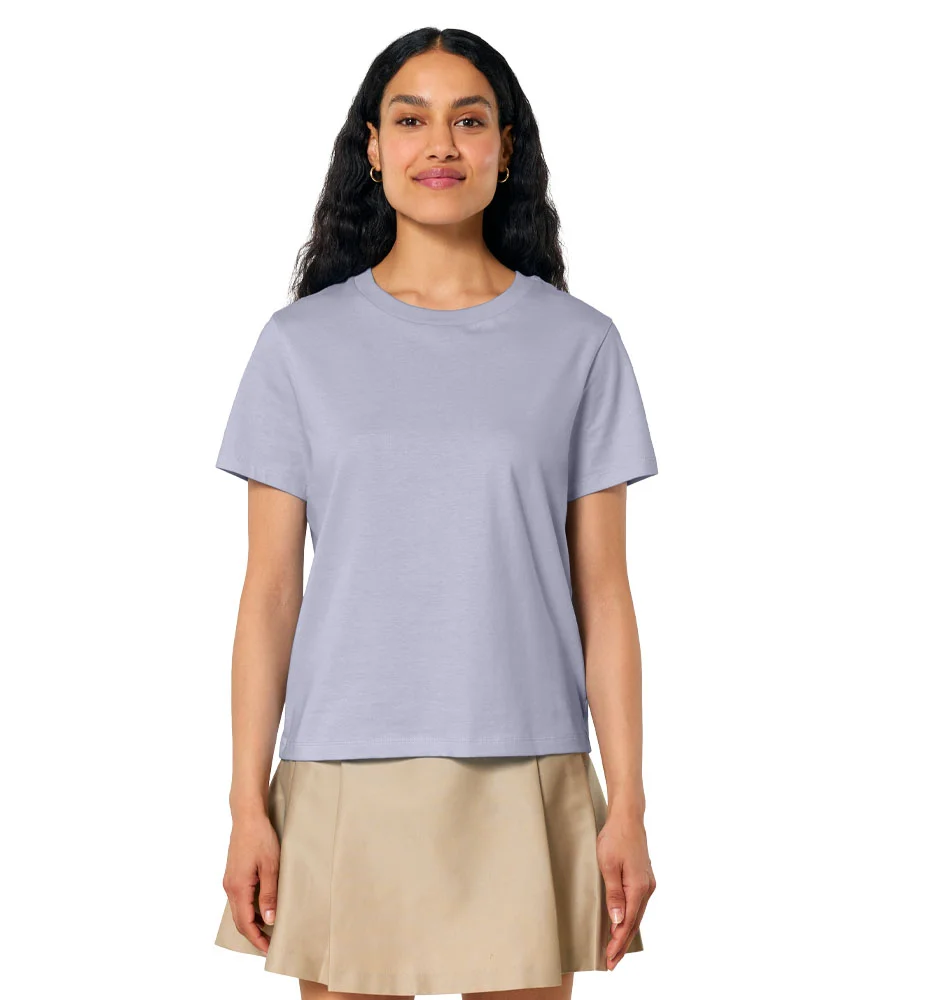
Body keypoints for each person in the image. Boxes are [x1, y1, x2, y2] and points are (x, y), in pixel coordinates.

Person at [212, 26, 658, 1000]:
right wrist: (247, 803)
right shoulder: (299, 346)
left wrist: (626, 802)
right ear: (373, 148)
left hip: (526, 764)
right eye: (411, 121)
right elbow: (271, 594)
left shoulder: (579, 344)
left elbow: (604, 595)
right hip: (343, 768)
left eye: (469, 120)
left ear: (506, 148)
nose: (441, 145)